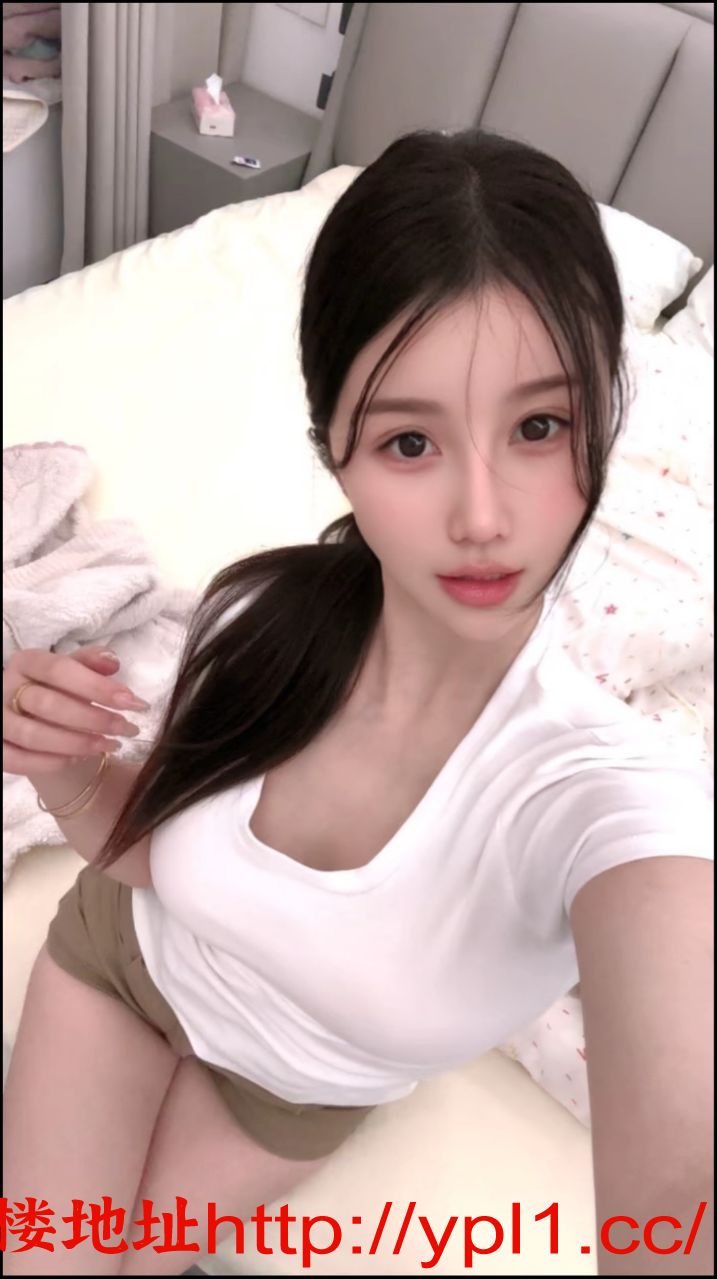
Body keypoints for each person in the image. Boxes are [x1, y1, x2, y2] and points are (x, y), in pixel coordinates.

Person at [3, 128, 713, 1277]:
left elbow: (681, 1178)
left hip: (286, 1094)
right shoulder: (256, 618)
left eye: (539, 427)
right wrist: (65, 771)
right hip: (123, 968)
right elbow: (145, 851)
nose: (482, 516)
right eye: (410, 440)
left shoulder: (607, 795)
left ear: (604, 421)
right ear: (335, 447)